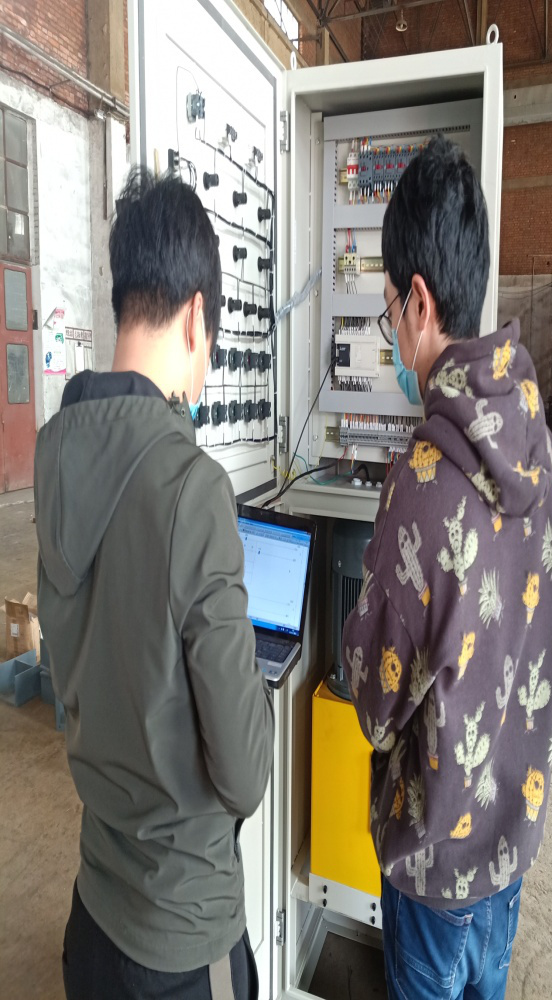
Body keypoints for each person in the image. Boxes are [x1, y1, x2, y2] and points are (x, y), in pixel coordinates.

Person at [342, 135, 552, 1000]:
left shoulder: (423, 477)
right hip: (511, 853)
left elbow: (374, 701)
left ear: (419, 300)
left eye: (389, 314)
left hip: (433, 874)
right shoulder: (540, 444)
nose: (394, 338)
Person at [34, 168, 274, 1000]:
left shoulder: (52, 458)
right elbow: (244, 775)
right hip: (182, 942)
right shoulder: (193, 489)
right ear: (198, 316)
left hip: (94, 918)